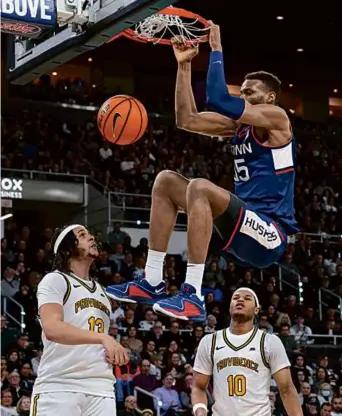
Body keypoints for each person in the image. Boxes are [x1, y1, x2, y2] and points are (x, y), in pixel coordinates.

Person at [106, 22, 298, 321]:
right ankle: (153, 281)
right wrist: (185, 66)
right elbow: (187, 119)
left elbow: (218, 99)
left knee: (199, 186)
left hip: (271, 234)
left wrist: (216, 49)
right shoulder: (239, 126)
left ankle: (192, 295)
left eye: (250, 92)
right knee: (166, 181)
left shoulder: (277, 118)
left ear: (270, 97)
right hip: (241, 227)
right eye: (242, 91)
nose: (244, 96)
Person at [30, 224, 128, 416]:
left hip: (101, 387)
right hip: (60, 385)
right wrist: (104, 339)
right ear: (67, 249)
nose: (91, 238)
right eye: (82, 235)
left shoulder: (101, 291)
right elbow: (52, 328)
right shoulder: (55, 280)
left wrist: (112, 352)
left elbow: (94, 337)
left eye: (90, 234)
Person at [192, 288, 303, 416]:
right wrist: (200, 411)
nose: (240, 299)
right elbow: (198, 386)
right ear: (230, 307)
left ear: (256, 309)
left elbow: (287, 389)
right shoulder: (209, 341)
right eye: (236, 297)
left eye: (247, 298)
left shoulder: (269, 341)